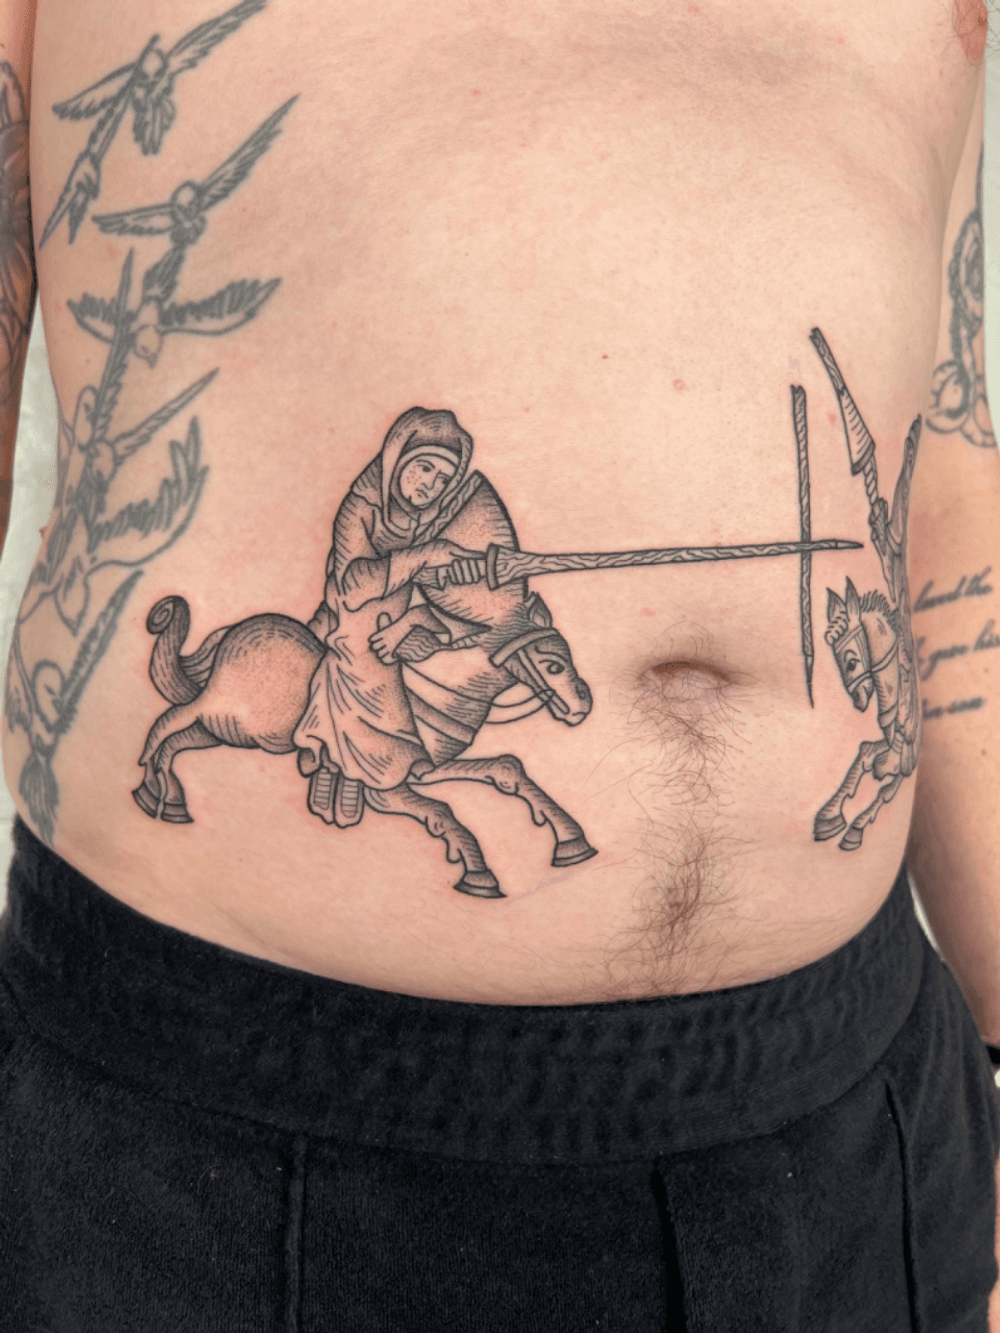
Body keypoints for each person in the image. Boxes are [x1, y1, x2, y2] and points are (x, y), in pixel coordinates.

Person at [0, 0, 999, 1328]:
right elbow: (356, 588)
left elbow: (941, 489)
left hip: (850, 1128)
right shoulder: (379, 513)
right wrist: (402, 586)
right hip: (222, 1130)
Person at [292, 405, 486, 825]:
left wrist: (466, 568)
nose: (430, 485)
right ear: (397, 459)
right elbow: (353, 584)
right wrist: (425, 556)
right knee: (361, 675)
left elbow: (438, 574)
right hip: (346, 621)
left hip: (392, 625)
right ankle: (334, 762)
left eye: (444, 478)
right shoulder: (361, 508)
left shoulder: (427, 519)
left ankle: (363, 772)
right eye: (423, 468)